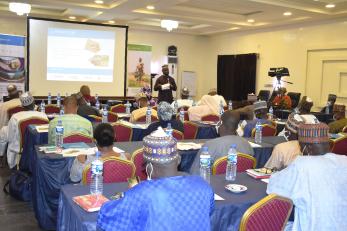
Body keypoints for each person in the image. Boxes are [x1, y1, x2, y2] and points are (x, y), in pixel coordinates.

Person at [97, 127, 214, 231]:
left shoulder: (142, 192)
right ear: (178, 160)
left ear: (149, 168)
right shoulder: (204, 186)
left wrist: (125, 195)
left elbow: (106, 217)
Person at [267, 122, 347, 231]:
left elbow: (273, 187)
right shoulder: (344, 160)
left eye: (300, 146)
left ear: (307, 148)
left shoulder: (302, 164)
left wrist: (278, 172)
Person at [190, 110, 254, 175]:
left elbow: (195, 174)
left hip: (214, 184)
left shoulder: (209, 146)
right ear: (237, 127)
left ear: (220, 124)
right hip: (241, 183)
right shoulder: (247, 145)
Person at [0, 92, 48, 169]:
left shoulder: (15, 117)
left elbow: (9, 137)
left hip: (20, 154)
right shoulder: (43, 116)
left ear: (22, 105)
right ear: (34, 103)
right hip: (40, 152)